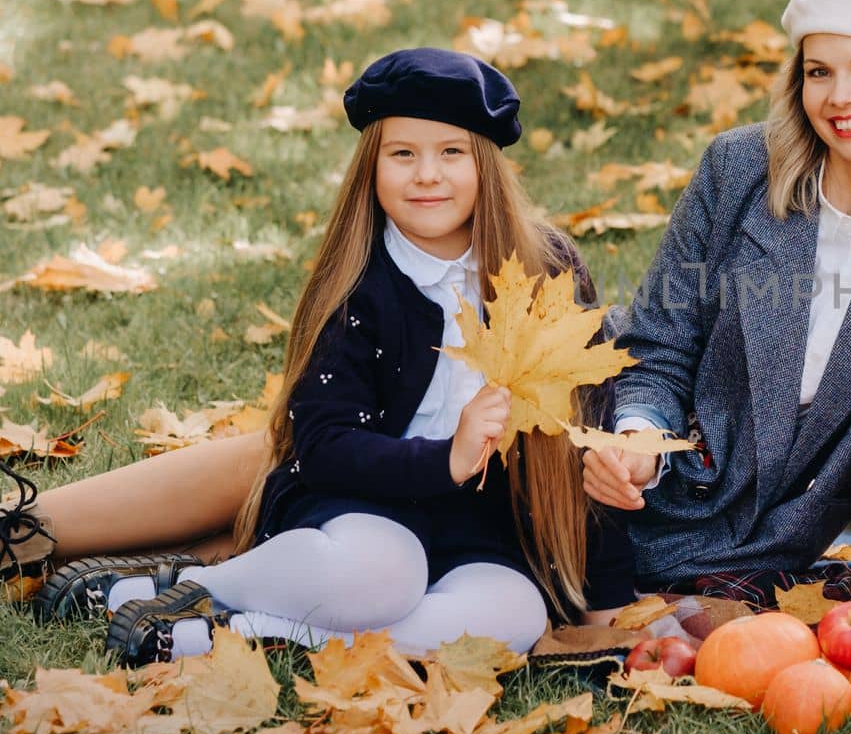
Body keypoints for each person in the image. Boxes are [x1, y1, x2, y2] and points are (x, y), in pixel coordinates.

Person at [32, 48, 634, 665]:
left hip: (479, 532)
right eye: (403, 154)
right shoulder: (360, 283)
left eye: (451, 152)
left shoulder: (546, 270)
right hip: (353, 502)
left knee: (510, 616)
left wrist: (608, 603)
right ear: (371, 169)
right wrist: (445, 460)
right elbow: (322, 444)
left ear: (485, 163)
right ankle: (185, 591)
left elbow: (580, 440)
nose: (427, 174)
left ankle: (237, 635)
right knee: (382, 572)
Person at [580, 0, 851, 600]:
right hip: (677, 489)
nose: (840, 97)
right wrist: (639, 442)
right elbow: (661, 343)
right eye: (819, 72)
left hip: (808, 530)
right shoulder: (739, 170)